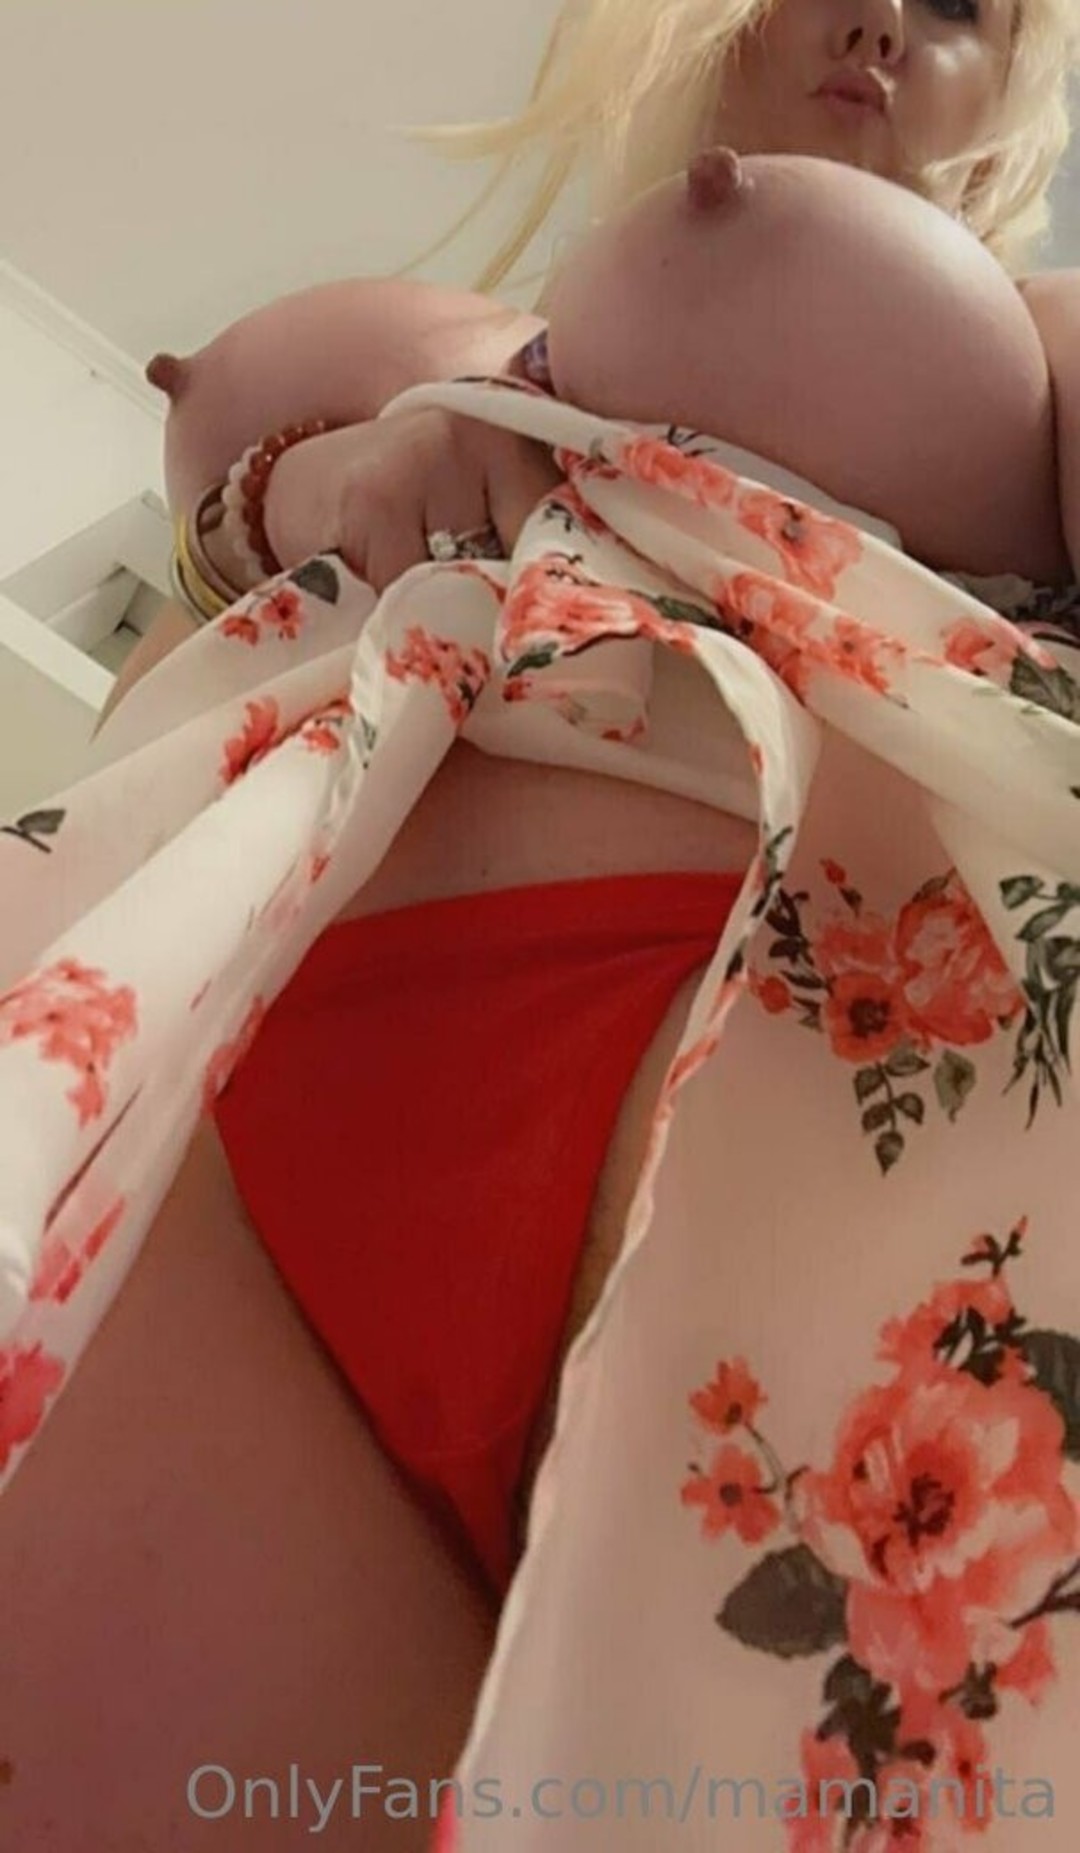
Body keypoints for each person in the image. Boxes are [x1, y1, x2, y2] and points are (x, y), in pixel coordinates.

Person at [0, 5, 1079, 1850]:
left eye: (968, 3)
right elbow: (186, 595)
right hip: (229, 1064)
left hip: (821, 1130)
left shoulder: (1033, 353)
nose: (886, 16)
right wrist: (309, 485)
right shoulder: (447, 344)